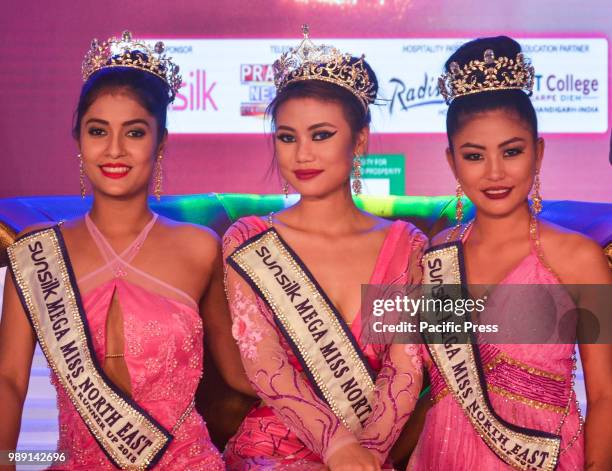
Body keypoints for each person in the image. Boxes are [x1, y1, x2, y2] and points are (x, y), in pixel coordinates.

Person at [0, 31, 250, 470]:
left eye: (134, 132)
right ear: (78, 139)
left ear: (161, 142)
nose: (114, 149)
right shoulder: (38, 251)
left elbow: (239, 373)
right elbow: (9, 379)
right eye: (99, 131)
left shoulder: (199, 248)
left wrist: (341, 407)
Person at [222, 26, 427, 471]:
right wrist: (337, 448)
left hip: (371, 451)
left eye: (321, 135)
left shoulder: (406, 246)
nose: (302, 155)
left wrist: (366, 455)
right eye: (287, 137)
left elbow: (405, 371)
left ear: (359, 141)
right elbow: (264, 364)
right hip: (271, 451)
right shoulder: (250, 240)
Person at [408, 36, 612, 470]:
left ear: (538, 153)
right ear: (452, 162)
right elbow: (430, 387)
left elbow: (605, 394)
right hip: (440, 458)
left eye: (512, 151)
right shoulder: (433, 256)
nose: (495, 172)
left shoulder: (579, 259)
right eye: (475, 155)